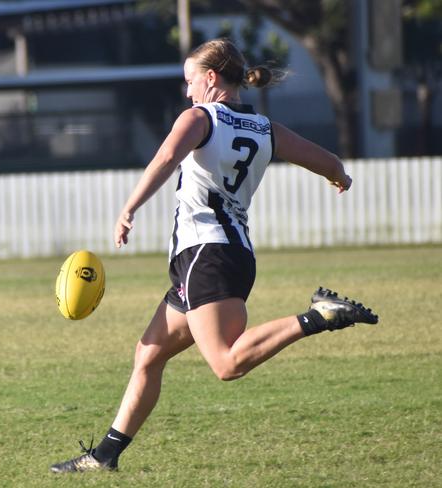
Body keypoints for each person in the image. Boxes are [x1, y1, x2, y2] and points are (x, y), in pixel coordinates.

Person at [50, 38, 379, 474]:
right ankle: (105, 456)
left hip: (207, 254)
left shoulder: (200, 117)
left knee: (226, 363)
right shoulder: (266, 128)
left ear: (210, 79)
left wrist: (129, 208)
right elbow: (327, 160)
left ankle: (317, 316)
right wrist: (339, 175)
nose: (187, 92)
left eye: (190, 81)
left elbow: (168, 156)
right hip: (229, 255)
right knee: (148, 354)